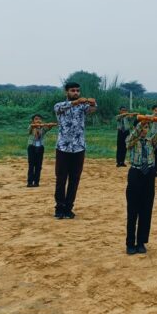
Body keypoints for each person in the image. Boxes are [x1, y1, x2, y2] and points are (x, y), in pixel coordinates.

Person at [124, 116, 157, 255]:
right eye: (142, 127)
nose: (144, 130)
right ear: (136, 128)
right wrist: (141, 123)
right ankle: (130, 243)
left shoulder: (151, 142)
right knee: (133, 211)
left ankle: (141, 242)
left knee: (146, 210)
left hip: (149, 176)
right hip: (136, 174)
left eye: (146, 127)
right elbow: (131, 138)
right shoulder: (131, 140)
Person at [53, 82, 97, 219]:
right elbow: (62, 107)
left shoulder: (83, 107)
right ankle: (59, 207)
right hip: (63, 148)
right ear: (66, 92)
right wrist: (77, 101)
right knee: (61, 179)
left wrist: (92, 103)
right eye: (73, 90)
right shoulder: (59, 105)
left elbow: (93, 109)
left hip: (79, 148)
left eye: (78, 90)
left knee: (74, 179)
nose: (76, 93)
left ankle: (68, 207)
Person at [26, 115, 56, 187]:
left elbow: (50, 127)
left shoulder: (43, 128)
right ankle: (30, 182)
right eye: (36, 119)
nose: (38, 120)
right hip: (31, 147)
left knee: (38, 166)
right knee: (31, 165)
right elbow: (31, 127)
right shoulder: (31, 126)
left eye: (40, 119)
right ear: (33, 121)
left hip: (40, 147)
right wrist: (36, 125)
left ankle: (36, 182)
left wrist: (51, 125)